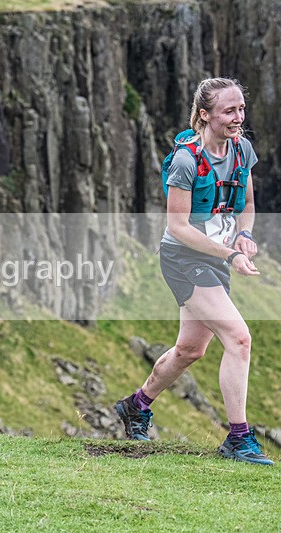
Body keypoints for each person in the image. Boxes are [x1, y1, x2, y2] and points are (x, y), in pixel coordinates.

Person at [115, 77, 272, 465]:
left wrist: (245, 234)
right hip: (183, 259)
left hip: (214, 258)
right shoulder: (186, 162)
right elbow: (178, 228)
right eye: (229, 111)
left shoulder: (242, 149)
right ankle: (238, 438)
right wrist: (230, 254)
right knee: (239, 337)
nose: (239, 118)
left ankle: (136, 405)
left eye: (241, 109)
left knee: (190, 350)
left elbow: (247, 204)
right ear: (205, 115)